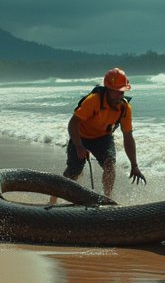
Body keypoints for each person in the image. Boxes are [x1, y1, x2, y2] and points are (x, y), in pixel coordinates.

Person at [50, 68, 146, 205]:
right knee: (73, 171)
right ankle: (52, 201)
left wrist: (134, 165)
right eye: (116, 92)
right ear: (107, 89)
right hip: (80, 136)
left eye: (122, 91)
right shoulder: (93, 101)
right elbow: (73, 123)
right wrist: (79, 146)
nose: (120, 95)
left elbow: (128, 136)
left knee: (109, 163)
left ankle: (107, 200)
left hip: (103, 138)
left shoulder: (125, 108)